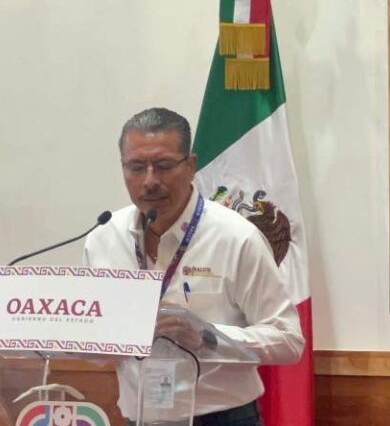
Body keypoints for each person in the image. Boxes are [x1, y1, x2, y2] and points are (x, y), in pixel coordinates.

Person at [84, 108, 305, 425]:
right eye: (136, 167)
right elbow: (96, 342)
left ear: (191, 166)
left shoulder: (236, 238)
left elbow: (288, 340)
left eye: (163, 166)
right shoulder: (104, 238)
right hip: (140, 417)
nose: (150, 181)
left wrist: (208, 337)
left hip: (222, 418)